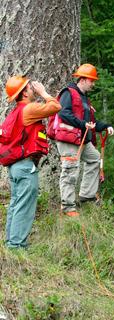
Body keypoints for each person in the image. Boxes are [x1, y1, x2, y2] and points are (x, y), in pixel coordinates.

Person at [3, 75, 61, 249]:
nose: (33, 88)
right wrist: (44, 92)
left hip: (15, 167)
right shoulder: (28, 109)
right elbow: (56, 106)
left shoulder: (14, 113)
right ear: (25, 93)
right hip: (25, 166)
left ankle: (11, 242)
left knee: (15, 205)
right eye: (30, 87)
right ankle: (17, 245)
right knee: (24, 207)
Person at [53, 63, 114, 217]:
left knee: (94, 159)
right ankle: (67, 208)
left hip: (82, 140)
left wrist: (105, 126)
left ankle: (86, 196)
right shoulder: (69, 93)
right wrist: (82, 124)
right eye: (92, 81)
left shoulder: (84, 99)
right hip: (69, 139)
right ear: (83, 79)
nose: (93, 84)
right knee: (70, 171)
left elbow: (91, 123)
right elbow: (63, 113)